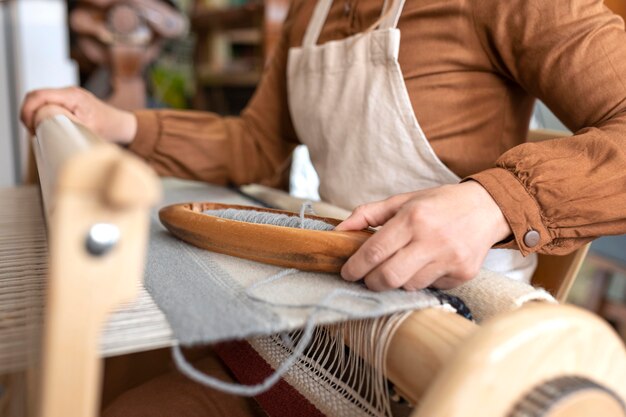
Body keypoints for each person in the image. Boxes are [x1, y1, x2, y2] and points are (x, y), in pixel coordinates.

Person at [21, 0, 626, 414]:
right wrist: (117, 122)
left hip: (442, 354)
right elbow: (254, 146)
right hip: (322, 324)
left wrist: (495, 202)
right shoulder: (310, 13)